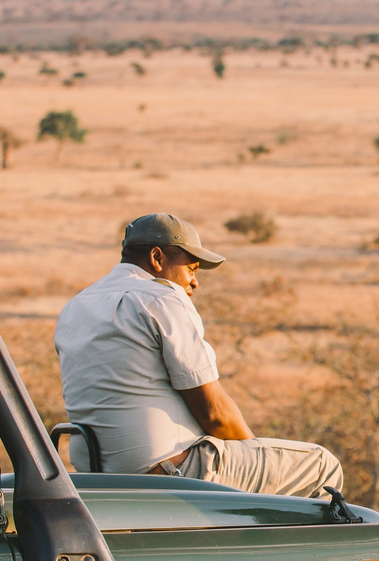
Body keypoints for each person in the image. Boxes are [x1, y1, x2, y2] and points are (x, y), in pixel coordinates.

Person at [54, 212, 343, 497]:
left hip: (98, 475)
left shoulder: (76, 306)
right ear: (157, 258)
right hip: (169, 471)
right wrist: (252, 450)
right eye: (191, 269)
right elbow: (214, 414)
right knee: (321, 465)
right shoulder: (161, 298)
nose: (195, 282)